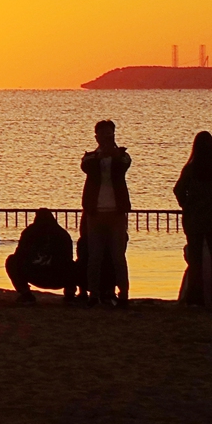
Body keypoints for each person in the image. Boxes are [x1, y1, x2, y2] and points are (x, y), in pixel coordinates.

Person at [174, 131, 212, 306]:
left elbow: (178, 189)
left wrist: (187, 205)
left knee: (196, 260)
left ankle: (195, 296)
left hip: (195, 219)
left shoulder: (191, 168)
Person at [80, 120, 132, 308]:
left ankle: (123, 293)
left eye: (109, 134)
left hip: (116, 213)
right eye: (102, 135)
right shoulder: (91, 157)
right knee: (95, 256)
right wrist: (100, 156)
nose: (106, 138)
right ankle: (93, 294)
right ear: (97, 137)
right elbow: (86, 167)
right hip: (95, 213)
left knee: (118, 256)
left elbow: (125, 164)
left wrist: (114, 154)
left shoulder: (122, 157)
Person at [5, 209, 77, 303]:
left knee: (12, 261)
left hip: (35, 273)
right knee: (74, 265)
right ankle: (70, 294)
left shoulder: (29, 232)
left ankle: (25, 293)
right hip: (57, 276)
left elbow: (19, 254)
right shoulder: (62, 234)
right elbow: (68, 257)